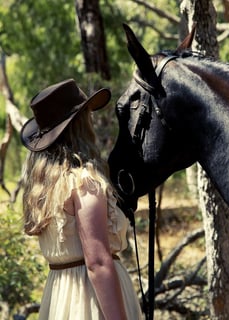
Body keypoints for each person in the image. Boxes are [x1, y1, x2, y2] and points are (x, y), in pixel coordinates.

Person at [20, 79, 143, 320]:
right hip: (91, 301)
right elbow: (97, 263)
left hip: (60, 298)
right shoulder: (84, 182)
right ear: (79, 125)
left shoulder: (46, 188)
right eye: (87, 115)